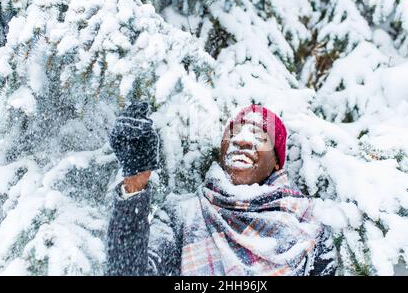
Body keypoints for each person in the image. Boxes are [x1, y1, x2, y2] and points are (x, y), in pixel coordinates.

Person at [106, 102, 337, 276]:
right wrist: (135, 179)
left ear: (277, 161)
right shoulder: (181, 215)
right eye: (234, 133)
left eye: (259, 136)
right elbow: (128, 271)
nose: (243, 141)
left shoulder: (310, 228)